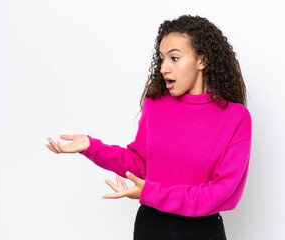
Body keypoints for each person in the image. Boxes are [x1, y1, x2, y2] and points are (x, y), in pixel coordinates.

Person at [46, 14, 252, 240]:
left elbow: (221, 192)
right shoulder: (155, 105)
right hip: (151, 225)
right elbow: (140, 163)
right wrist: (91, 146)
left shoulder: (236, 117)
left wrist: (151, 192)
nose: (164, 68)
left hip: (202, 230)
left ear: (202, 61)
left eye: (174, 58)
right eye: (162, 59)